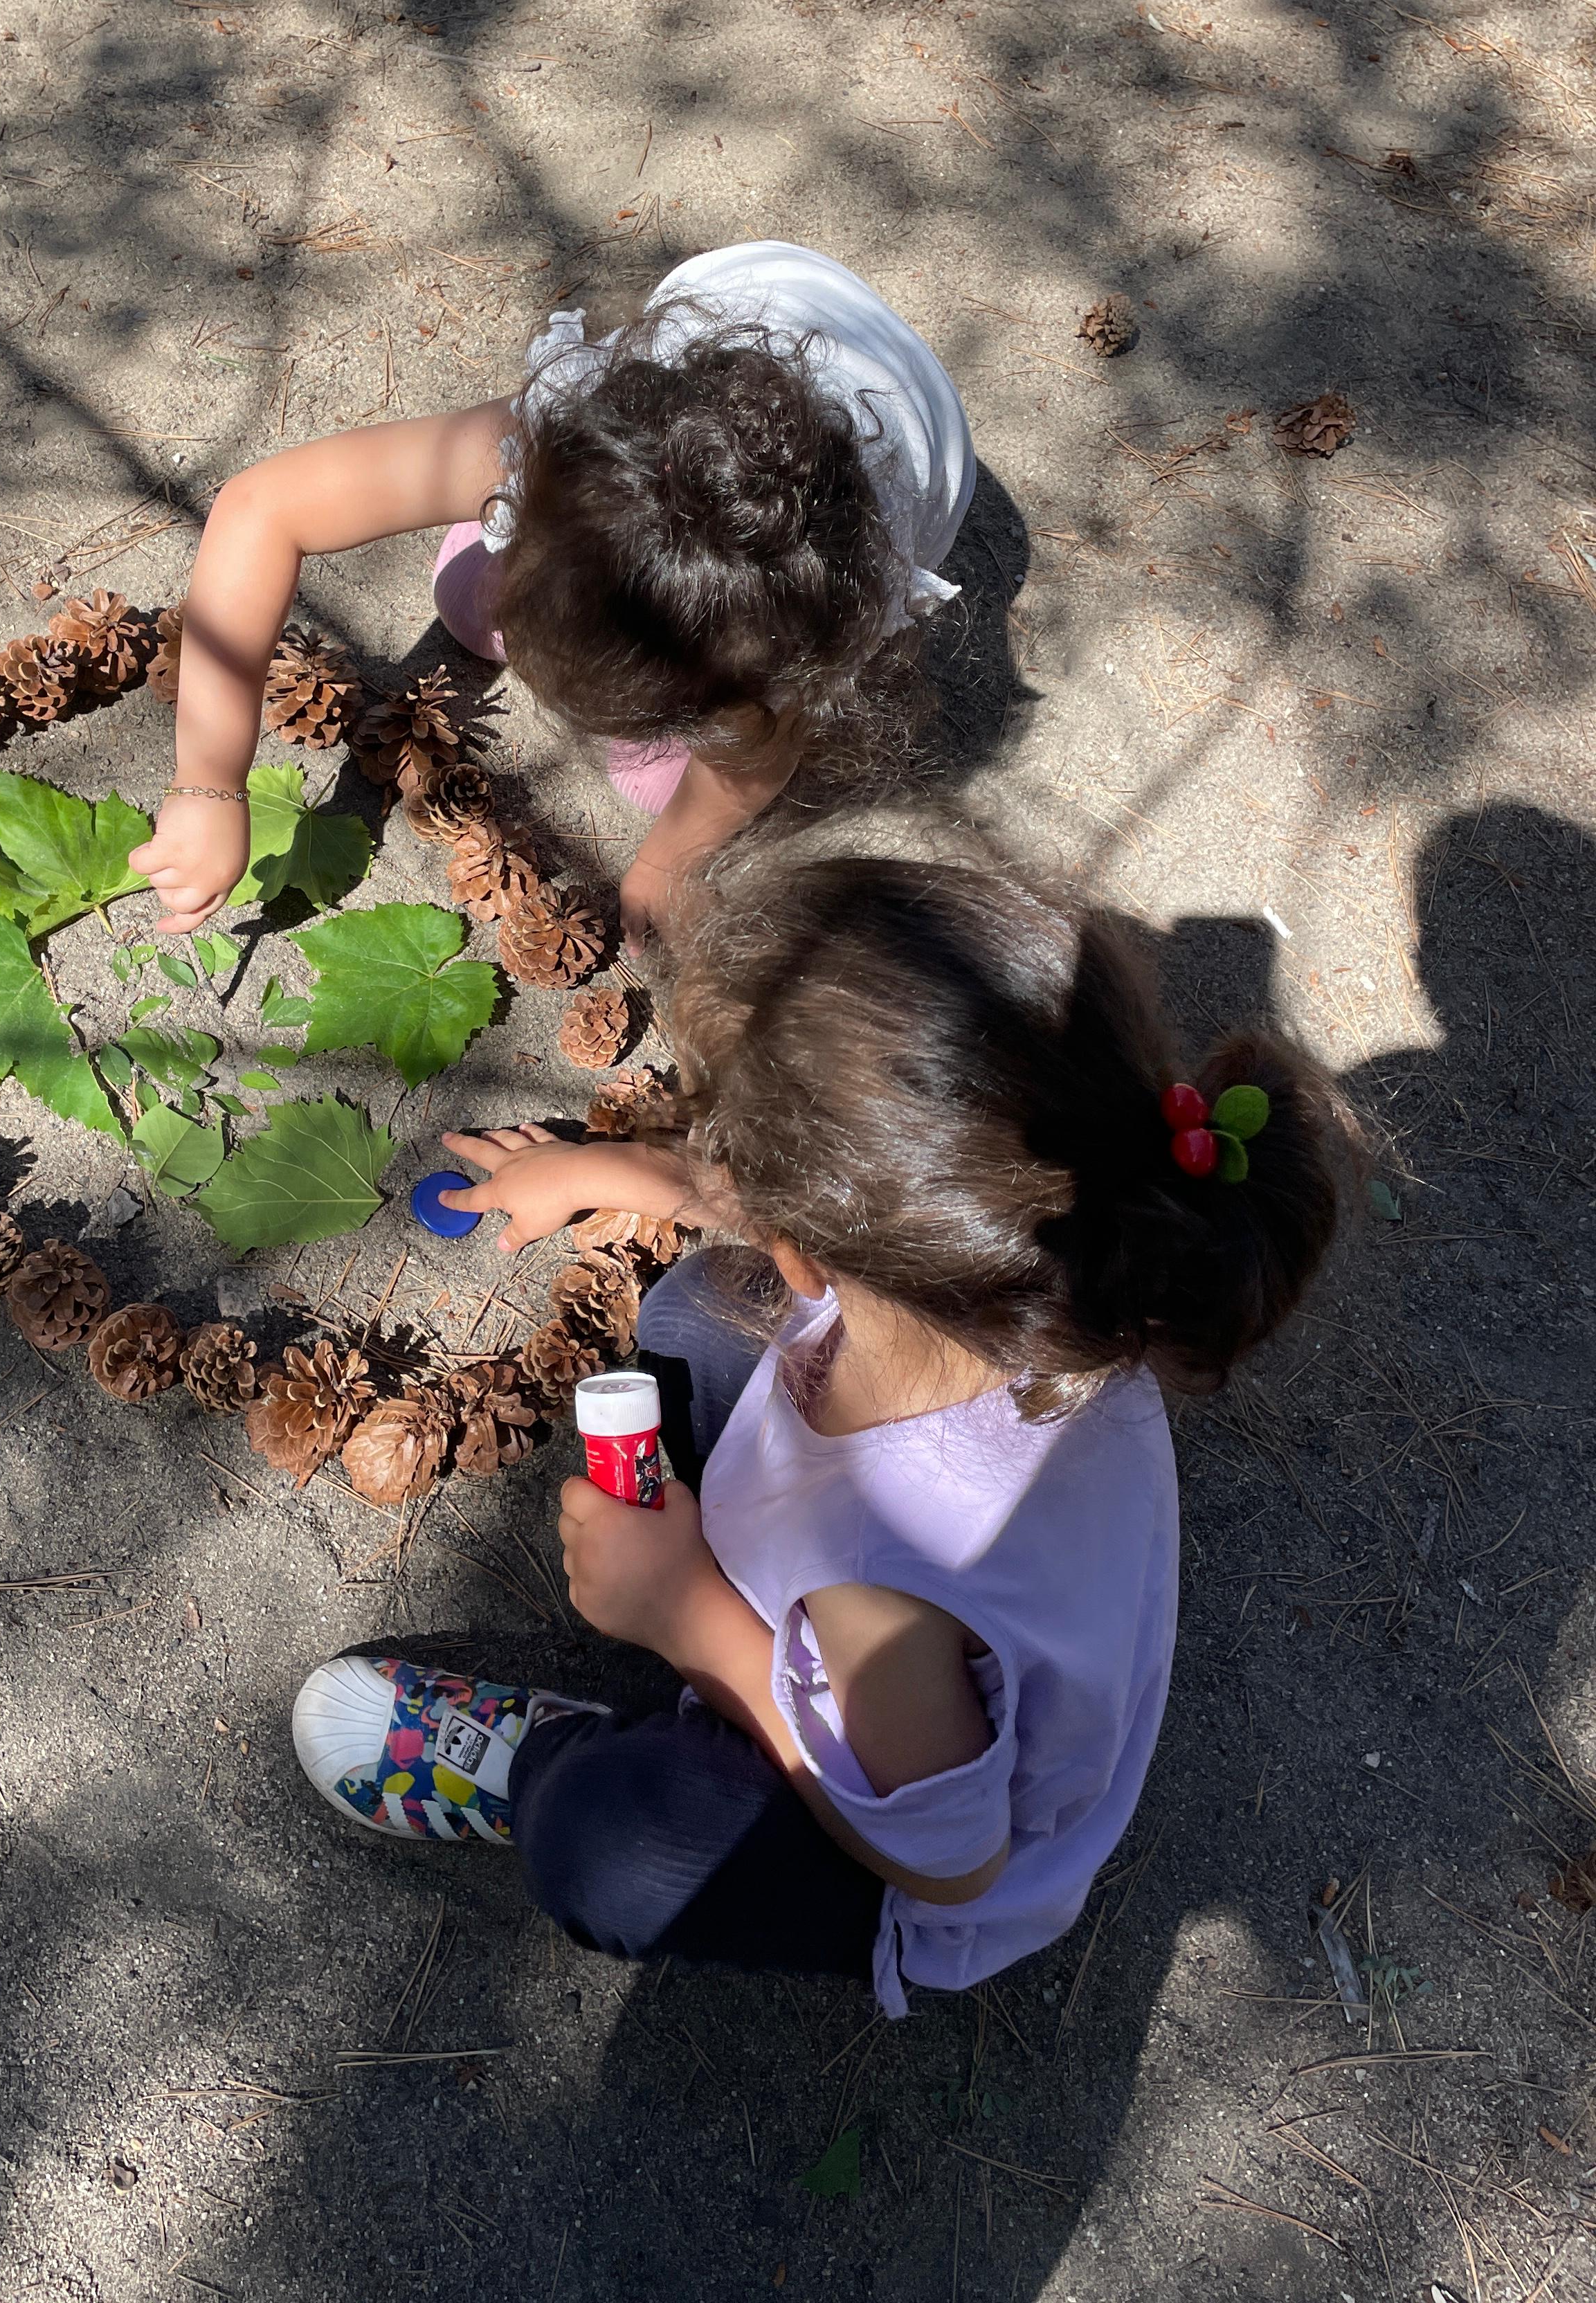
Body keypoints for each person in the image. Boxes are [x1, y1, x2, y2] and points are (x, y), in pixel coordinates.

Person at [289, 852, 1345, 2013]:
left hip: (898, 1835)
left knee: (610, 1846)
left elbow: (947, 1860)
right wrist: (618, 1169)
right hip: (915, 1597)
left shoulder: (882, 1573)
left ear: (820, 1244)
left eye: (735, 1159)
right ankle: (713, 1634)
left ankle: (540, 1764)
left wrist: (683, 1614)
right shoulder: (1057, 1273)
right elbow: (830, 1210)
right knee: (697, 1305)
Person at [129, 243, 974, 946]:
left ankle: (575, 633)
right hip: (759, 290)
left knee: (659, 784)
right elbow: (262, 507)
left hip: (915, 437)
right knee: (470, 603)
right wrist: (208, 780)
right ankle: (517, 575)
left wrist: (666, 869)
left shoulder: (796, 619)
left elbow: (758, 753)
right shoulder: (561, 432)